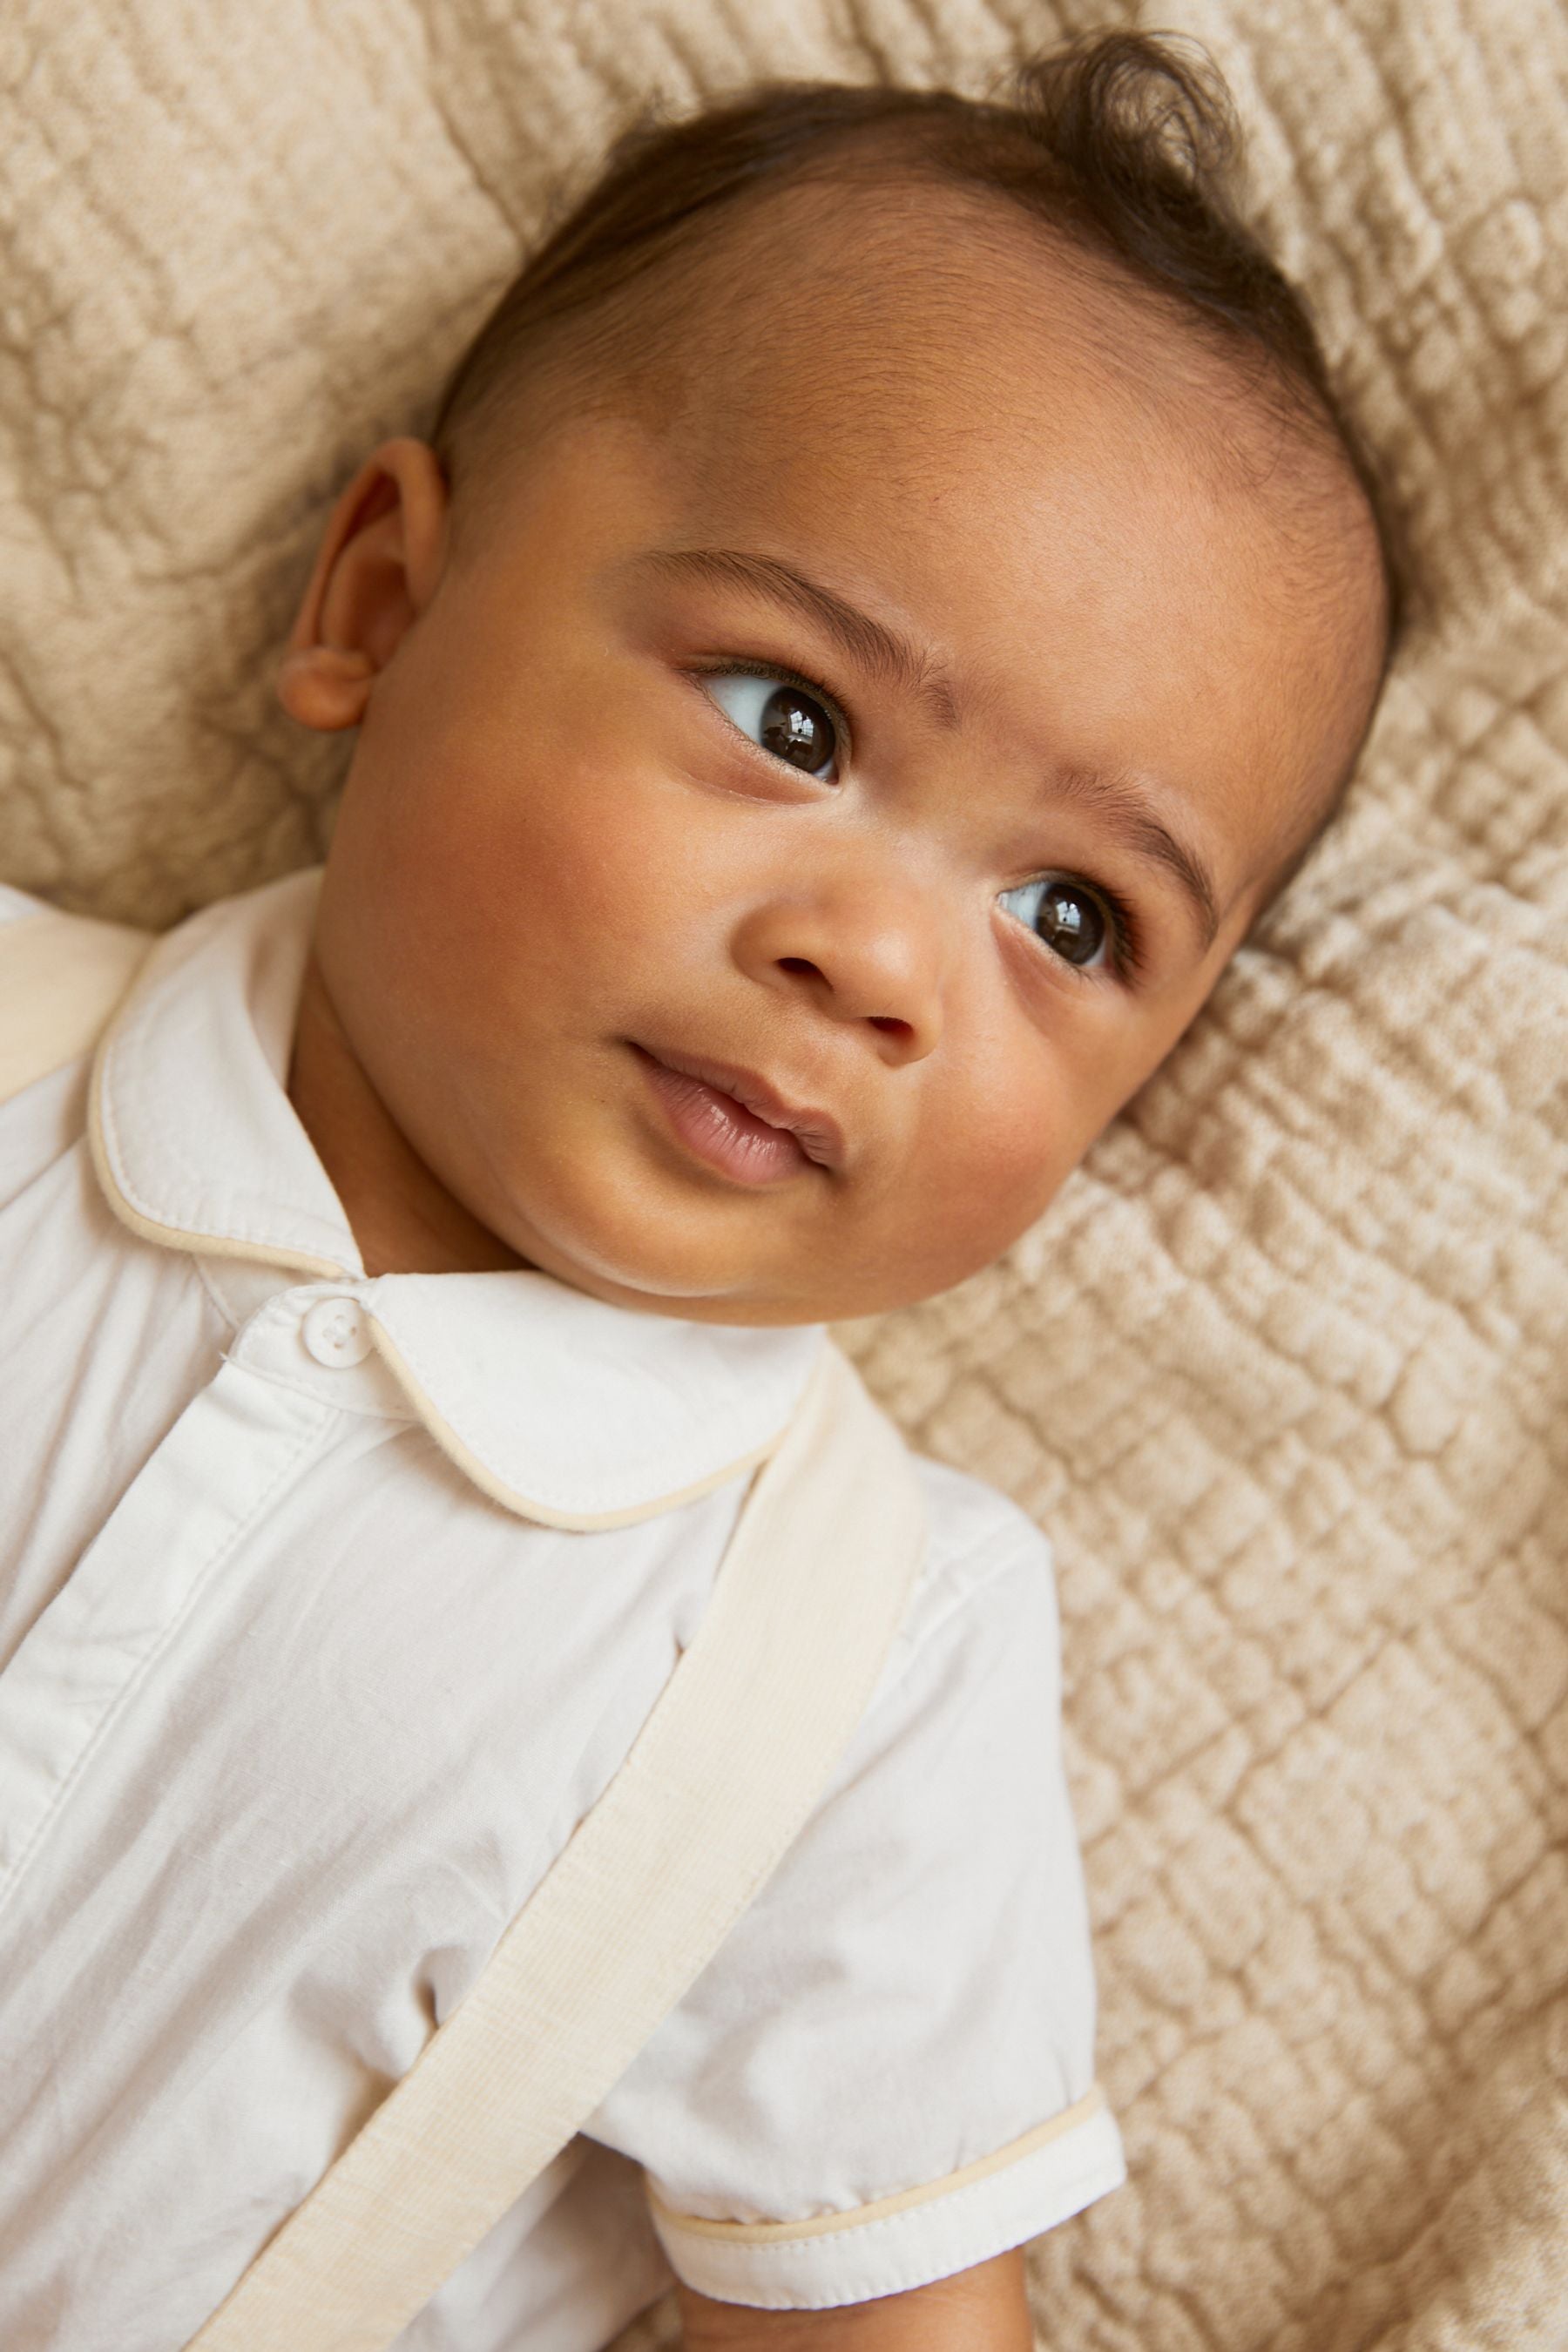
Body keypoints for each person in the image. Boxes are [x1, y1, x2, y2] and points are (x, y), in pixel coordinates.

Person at [0, 30, 1403, 2352]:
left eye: (1071, 922)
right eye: (797, 721)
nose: (873, 966)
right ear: (375, 602)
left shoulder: (855, 1653)